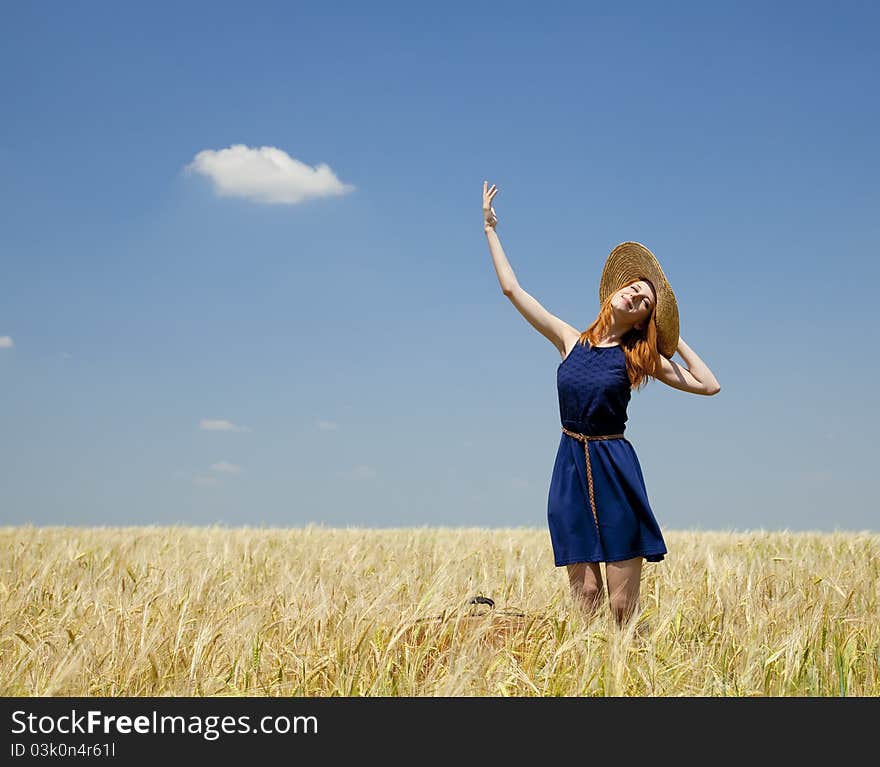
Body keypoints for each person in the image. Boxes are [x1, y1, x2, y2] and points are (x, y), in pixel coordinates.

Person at [481, 180, 721, 627]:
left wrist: (673, 337)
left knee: (621, 608)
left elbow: (709, 386)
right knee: (587, 596)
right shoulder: (569, 340)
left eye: (645, 302)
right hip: (570, 465)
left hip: (615, 468)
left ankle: (634, 673)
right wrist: (491, 230)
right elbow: (513, 291)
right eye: (632, 288)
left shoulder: (639, 358)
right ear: (615, 291)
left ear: (644, 318)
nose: (634, 295)